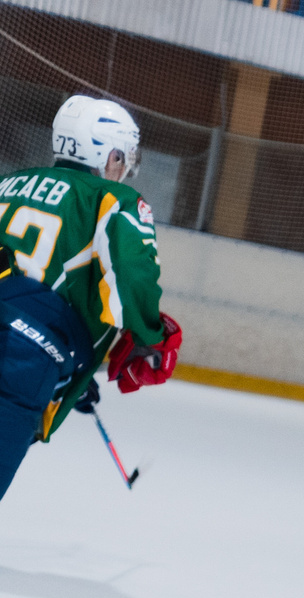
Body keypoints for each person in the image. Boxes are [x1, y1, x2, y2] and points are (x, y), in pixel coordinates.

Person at [0, 95, 181, 500]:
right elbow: (133, 274)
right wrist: (150, 337)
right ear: (109, 154)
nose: (124, 168)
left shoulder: (8, 184)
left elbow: (35, 272)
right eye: (123, 156)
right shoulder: (111, 199)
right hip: (18, 362)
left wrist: (69, 374)